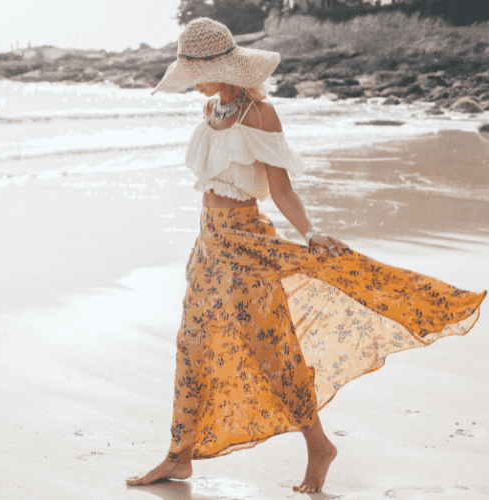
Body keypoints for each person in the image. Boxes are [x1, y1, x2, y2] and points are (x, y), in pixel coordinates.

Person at [126, 18, 486, 493]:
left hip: (248, 246)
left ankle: (319, 446)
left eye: (196, 72)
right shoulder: (213, 108)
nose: (193, 84)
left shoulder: (259, 114)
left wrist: (311, 232)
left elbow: (281, 189)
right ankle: (178, 456)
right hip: (209, 247)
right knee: (190, 347)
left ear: (222, 66)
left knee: (270, 351)